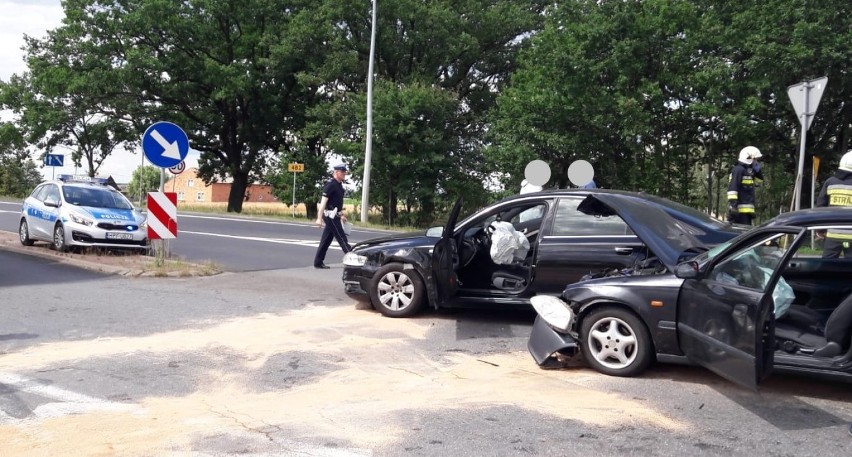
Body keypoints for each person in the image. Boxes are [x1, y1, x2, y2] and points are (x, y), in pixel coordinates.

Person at [313, 163, 352, 268]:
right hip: (330, 216)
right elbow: (323, 203)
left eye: (345, 172)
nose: (344, 174)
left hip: (335, 215)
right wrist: (319, 218)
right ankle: (354, 260)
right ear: (336, 172)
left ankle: (318, 262)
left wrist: (341, 215)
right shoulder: (330, 185)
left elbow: (337, 204)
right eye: (342, 172)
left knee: (326, 240)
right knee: (342, 238)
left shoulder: (339, 186)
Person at [816, 150, 852, 259]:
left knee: (826, 266)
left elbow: (821, 207)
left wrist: (820, 229)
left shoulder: (830, 182)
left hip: (832, 234)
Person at [727, 146, 761, 225]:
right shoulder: (738, 170)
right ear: (748, 158)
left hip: (746, 212)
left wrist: (758, 171)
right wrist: (733, 206)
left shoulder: (748, 171)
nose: (756, 161)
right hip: (739, 212)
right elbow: (733, 189)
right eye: (754, 159)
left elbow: (759, 181)